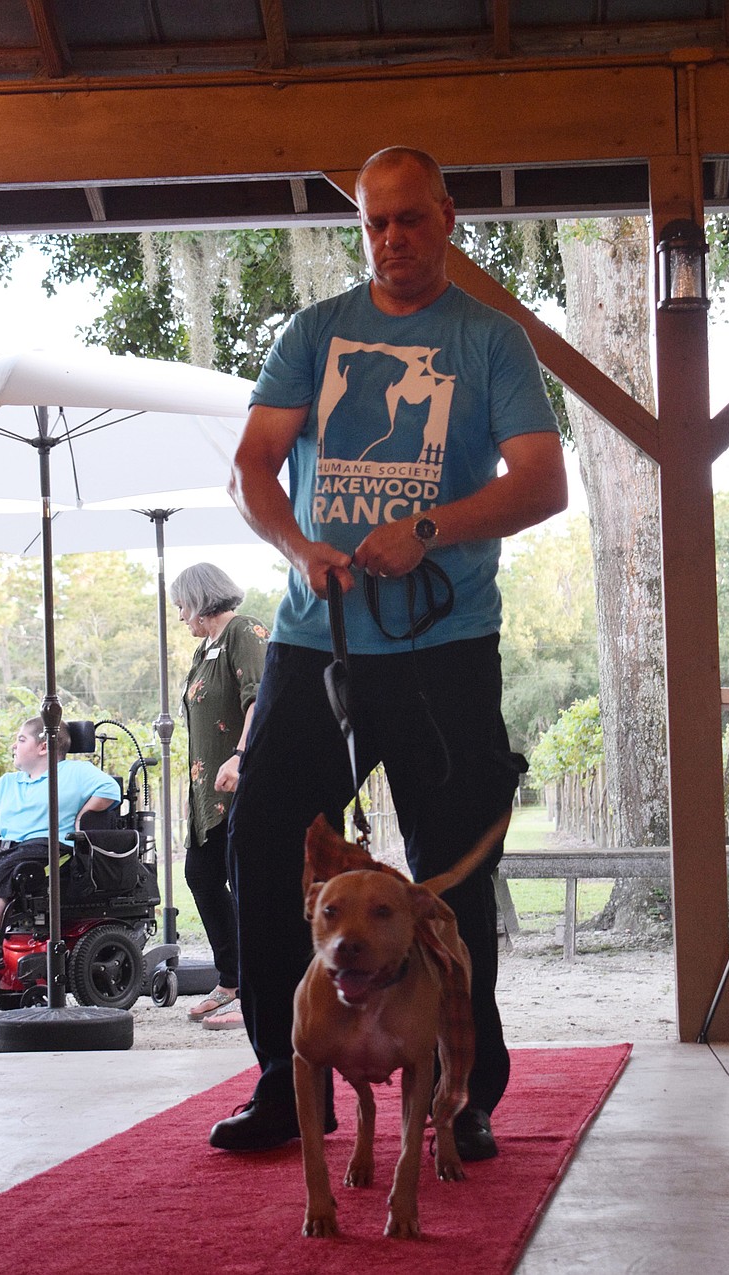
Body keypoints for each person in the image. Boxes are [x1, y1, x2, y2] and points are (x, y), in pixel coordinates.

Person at [210, 146, 568, 1158]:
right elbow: (252, 467)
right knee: (262, 850)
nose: (393, 240)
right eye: (375, 224)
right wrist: (299, 546)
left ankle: (466, 1090)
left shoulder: (487, 341)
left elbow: (542, 485)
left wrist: (429, 529)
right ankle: (288, 1086)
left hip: (443, 645)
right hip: (314, 640)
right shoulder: (316, 334)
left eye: (411, 219)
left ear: (447, 218)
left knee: (451, 882)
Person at [170, 563, 268, 1024]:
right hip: (207, 793)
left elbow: (261, 698)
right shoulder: (202, 650)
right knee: (202, 876)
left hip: (242, 782)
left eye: (182, 606)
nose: (180, 616)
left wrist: (241, 756)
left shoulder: (243, 632)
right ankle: (232, 979)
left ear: (201, 599)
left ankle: (257, 991)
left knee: (248, 883)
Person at [0, 715, 121, 975]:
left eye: (21, 739)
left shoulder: (75, 771)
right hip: (3, 849)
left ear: (44, 746)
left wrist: (83, 817)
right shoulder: (7, 783)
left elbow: (109, 790)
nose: (14, 746)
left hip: (47, 848)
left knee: (10, 867)